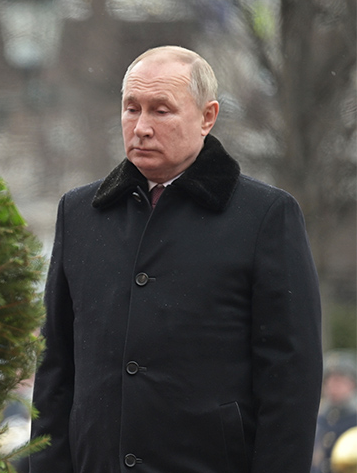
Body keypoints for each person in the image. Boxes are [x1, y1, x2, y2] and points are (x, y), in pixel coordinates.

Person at [29, 45, 323, 472]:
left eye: (161, 110)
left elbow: (290, 380)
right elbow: (55, 370)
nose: (141, 127)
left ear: (207, 117)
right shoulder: (79, 214)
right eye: (131, 109)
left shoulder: (265, 216)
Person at [313, 351, 357, 473]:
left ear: (352, 384)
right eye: (329, 380)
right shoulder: (319, 418)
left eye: (339, 380)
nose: (333, 385)